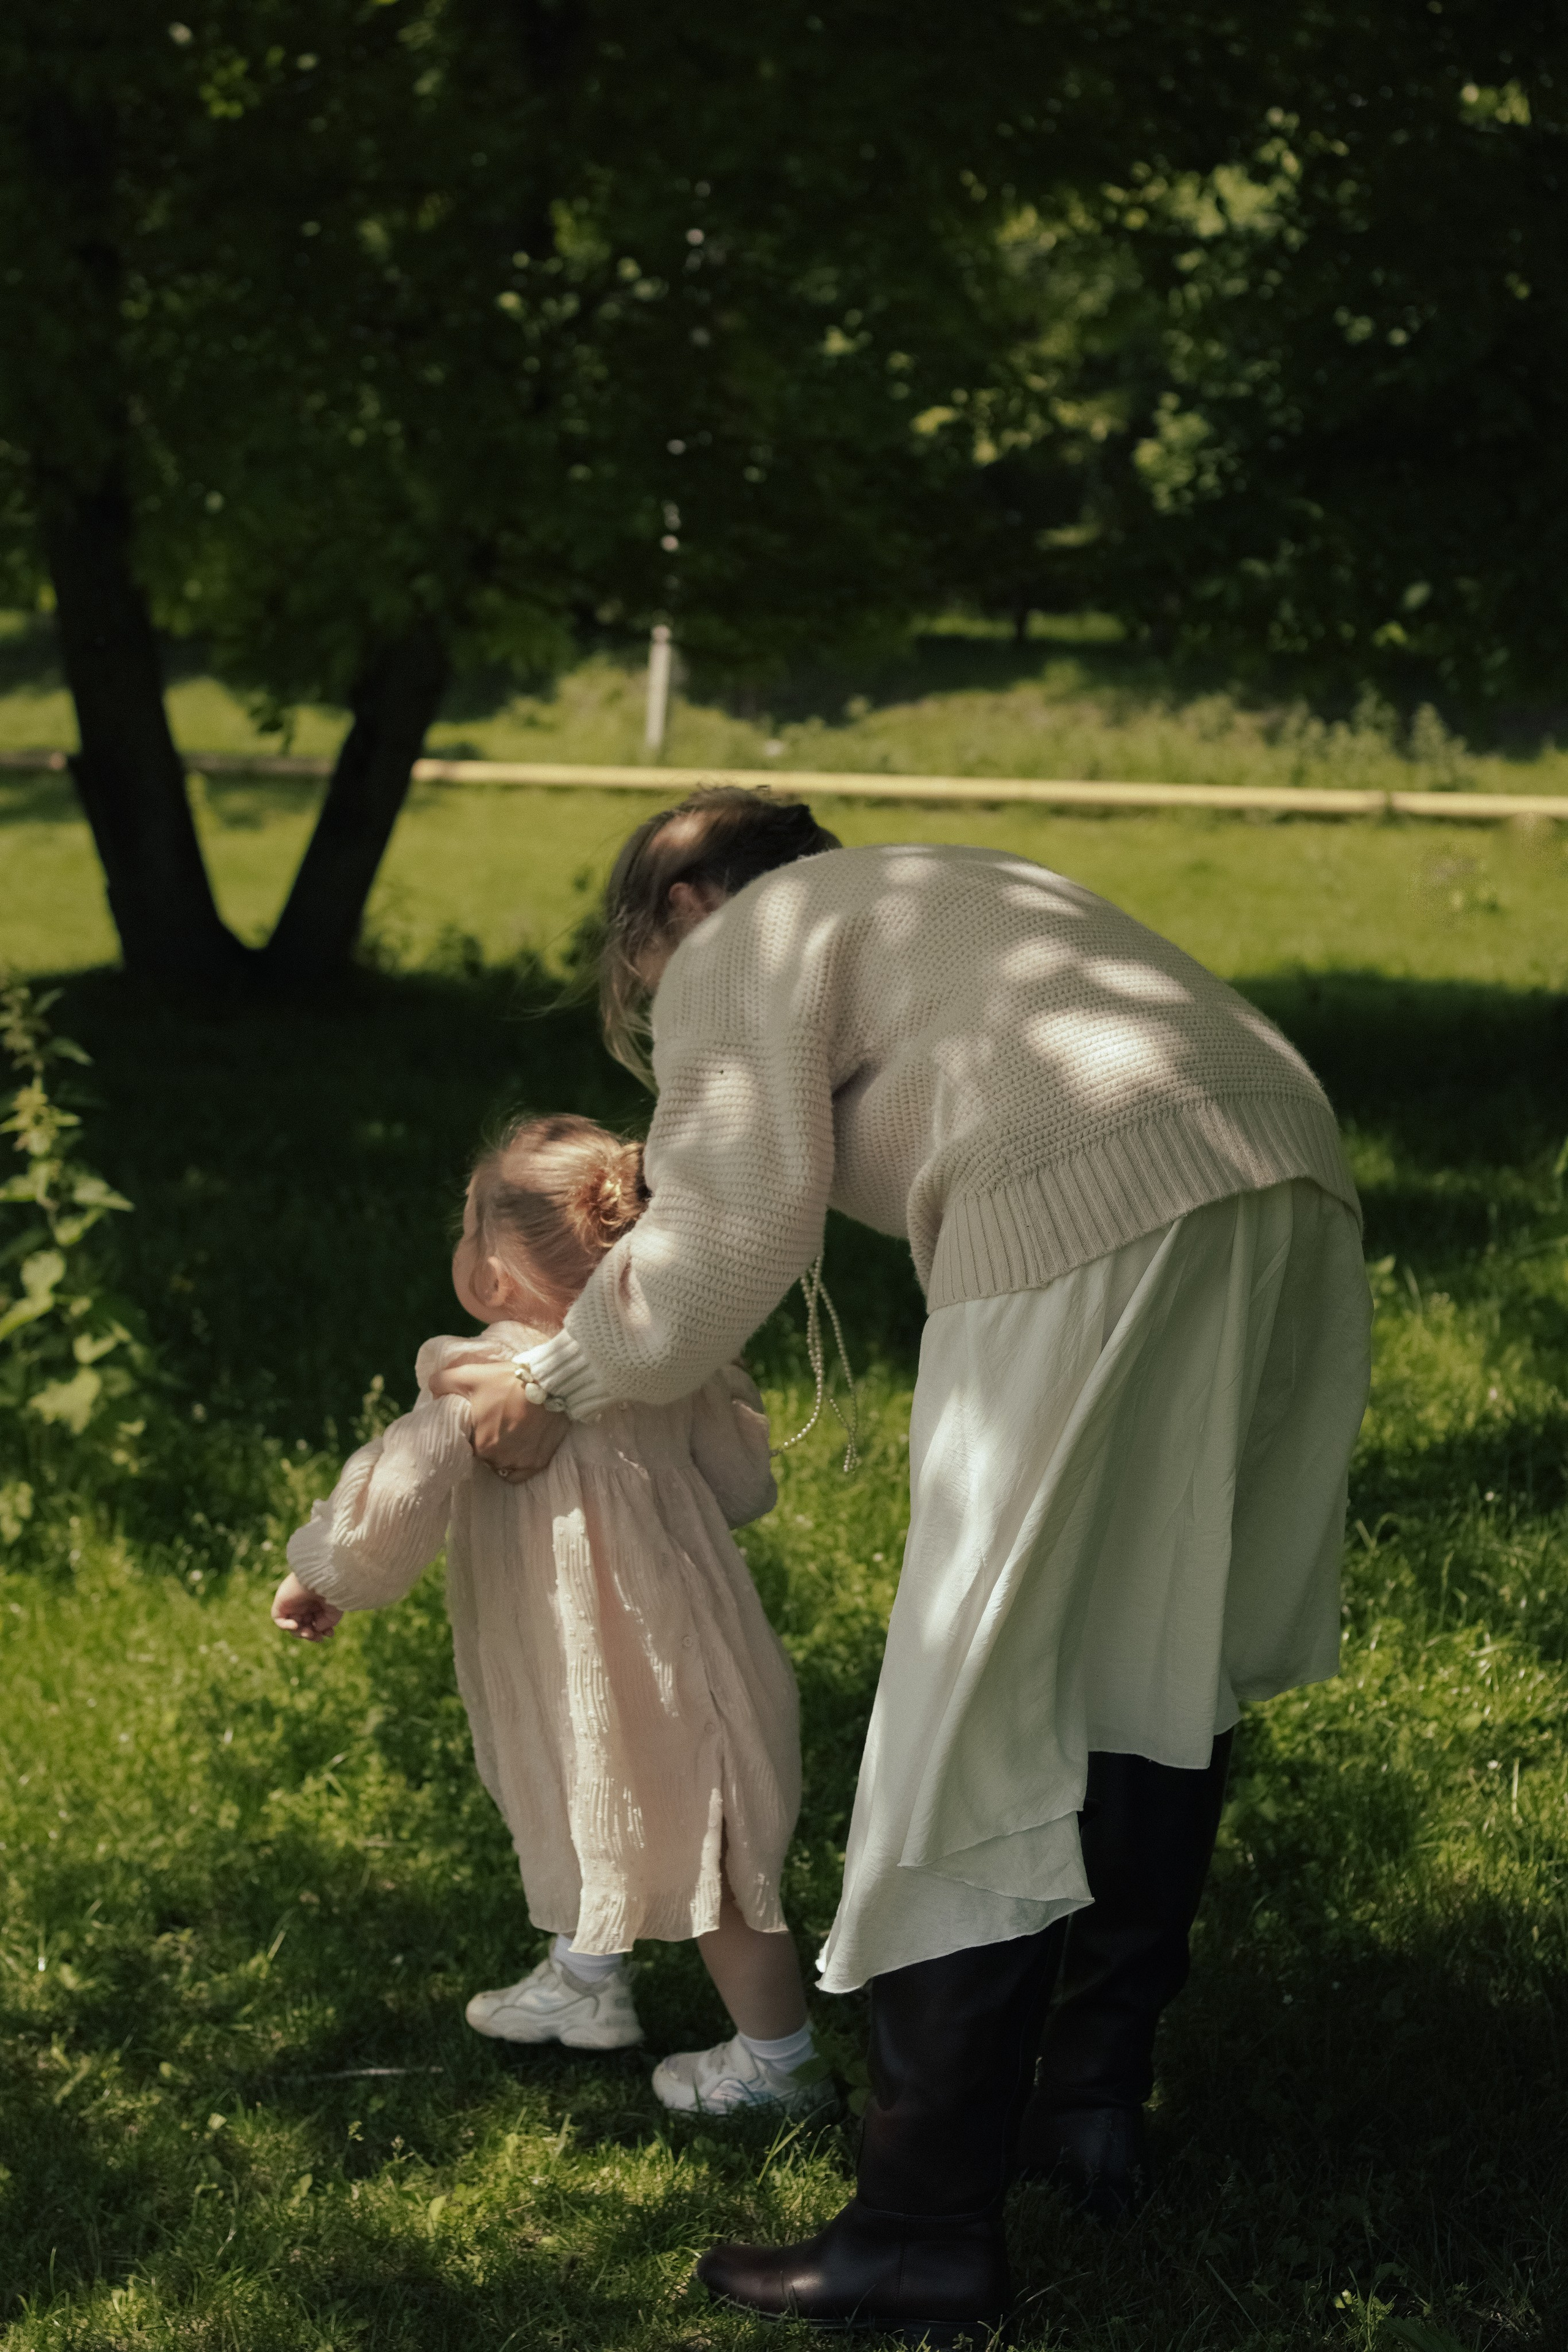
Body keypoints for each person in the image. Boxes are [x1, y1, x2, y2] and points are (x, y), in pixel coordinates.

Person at [433, 793, 1373, 2343]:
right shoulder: (936, 885)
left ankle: (923, 2231)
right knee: (1156, 1646)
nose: (655, 1009)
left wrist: (554, 1383)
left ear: (675, 904)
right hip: (1276, 1155)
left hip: (1088, 1190)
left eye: (636, 978)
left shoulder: (742, 941)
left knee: (966, 1691)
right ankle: (1085, 2107)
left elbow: (727, 1232)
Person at [270, 1111, 827, 2119]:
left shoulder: (482, 1382)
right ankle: (584, 1986)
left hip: (589, 1659)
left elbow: (396, 1499)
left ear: (490, 1278)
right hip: (696, 1643)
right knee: (630, 1805)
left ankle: (779, 2062)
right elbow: (745, 1489)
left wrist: (325, 1576)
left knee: (690, 1845)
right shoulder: (666, 1366)